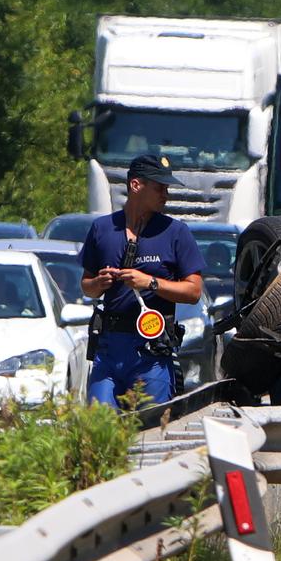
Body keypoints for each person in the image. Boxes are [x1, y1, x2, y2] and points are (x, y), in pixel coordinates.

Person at [79, 154, 204, 407]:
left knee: (150, 424)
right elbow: (87, 286)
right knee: (99, 422)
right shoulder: (102, 228)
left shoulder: (175, 232)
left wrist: (150, 283)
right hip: (109, 349)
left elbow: (194, 291)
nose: (165, 195)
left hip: (151, 352)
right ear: (136, 185)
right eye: (159, 188)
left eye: (167, 188)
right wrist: (98, 283)